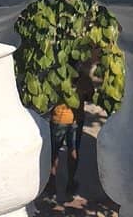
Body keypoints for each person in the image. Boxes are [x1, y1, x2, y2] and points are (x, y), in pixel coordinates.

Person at [44, 63, 97, 201]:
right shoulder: (82, 77)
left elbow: (49, 96)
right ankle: (70, 184)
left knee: (54, 151)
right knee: (73, 150)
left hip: (58, 119)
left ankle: (51, 185)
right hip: (75, 119)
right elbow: (90, 96)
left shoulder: (56, 74)